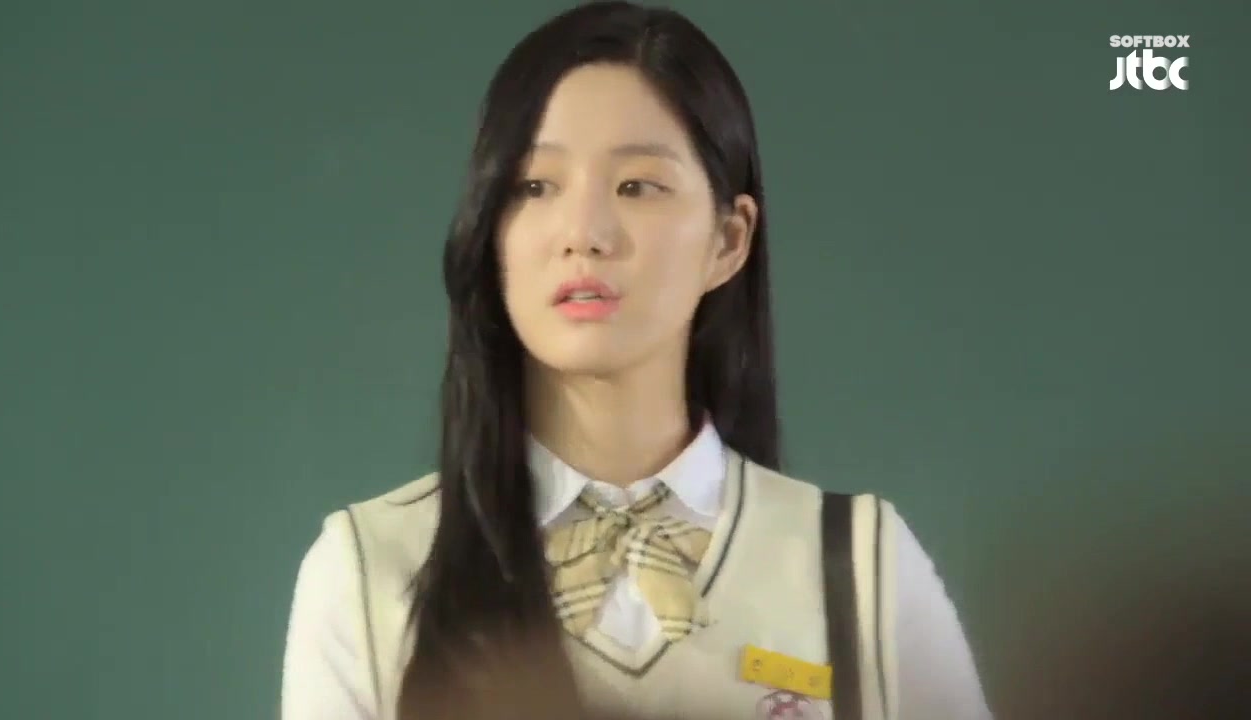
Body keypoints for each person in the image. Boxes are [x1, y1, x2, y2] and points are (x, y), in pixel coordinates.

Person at [280, 2, 991, 719]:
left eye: (636, 186)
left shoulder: (859, 566)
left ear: (728, 240)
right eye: (534, 186)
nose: (583, 232)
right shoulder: (369, 568)